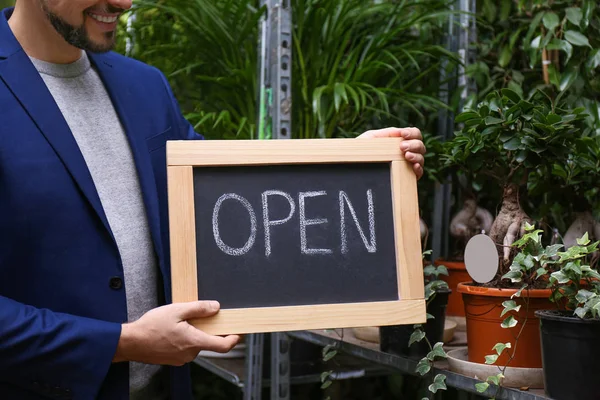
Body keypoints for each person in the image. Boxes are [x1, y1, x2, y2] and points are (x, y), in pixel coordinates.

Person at [0, 0, 427, 399]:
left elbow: (230, 192)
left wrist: (353, 165)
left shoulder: (144, 87)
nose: (126, 3)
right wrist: (124, 342)